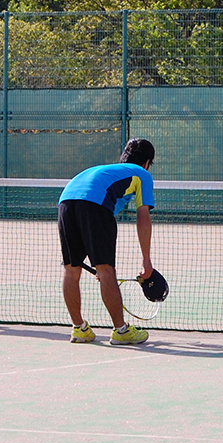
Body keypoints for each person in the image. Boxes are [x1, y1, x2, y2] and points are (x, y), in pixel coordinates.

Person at [58, 138, 159, 345]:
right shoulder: (142, 174)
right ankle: (121, 331)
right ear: (147, 162)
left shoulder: (107, 170)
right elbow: (143, 217)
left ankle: (79, 329)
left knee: (71, 269)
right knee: (106, 270)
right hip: (94, 205)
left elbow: (82, 202)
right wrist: (146, 260)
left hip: (65, 201)